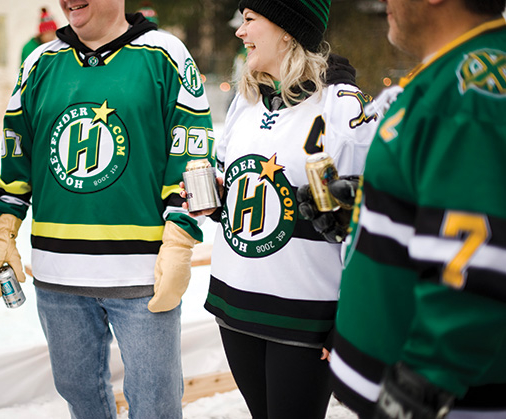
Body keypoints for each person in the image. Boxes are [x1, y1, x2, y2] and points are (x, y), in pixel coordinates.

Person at [0, 0, 213, 418]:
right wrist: (4, 232)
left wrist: (180, 239)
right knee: (80, 398)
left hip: (143, 277)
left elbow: (192, 156)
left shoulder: (165, 55)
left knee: (156, 405)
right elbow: (17, 159)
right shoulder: (39, 62)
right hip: (57, 277)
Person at [301, 0, 506, 418]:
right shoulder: (448, 75)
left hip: (449, 404)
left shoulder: (465, 93)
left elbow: (477, 263)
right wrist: (364, 213)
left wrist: (418, 394)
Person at [187, 0, 378, 417]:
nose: (240, 32)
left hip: (304, 316)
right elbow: (244, 193)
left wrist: (353, 321)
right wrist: (220, 203)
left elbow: (366, 223)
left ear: (289, 30)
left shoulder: (340, 104)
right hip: (235, 304)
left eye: (251, 20)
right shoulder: (247, 101)